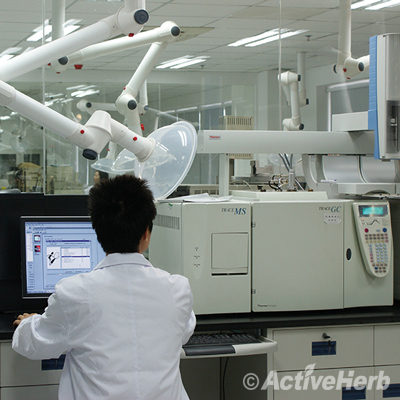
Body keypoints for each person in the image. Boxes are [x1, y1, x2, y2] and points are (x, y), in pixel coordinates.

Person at [12, 175, 196, 400]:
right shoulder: (177, 290)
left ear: (97, 232)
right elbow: (184, 330)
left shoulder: (74, 294)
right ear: (146, 234)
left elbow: (35, 345)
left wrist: (29, 324)